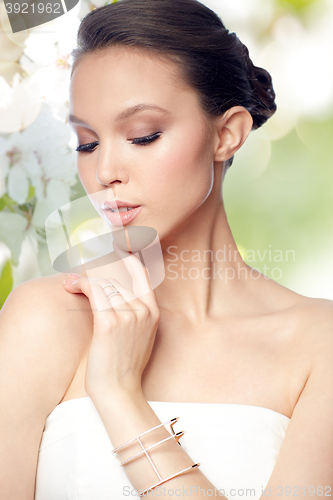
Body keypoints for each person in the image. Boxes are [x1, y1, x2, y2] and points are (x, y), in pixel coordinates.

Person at [1, 0, 332, 498]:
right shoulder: (44, 319)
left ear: (227, 134)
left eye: (143, 135)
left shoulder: (318, 345)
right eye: (87, 143)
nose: (105, 169)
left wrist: (117, 394)